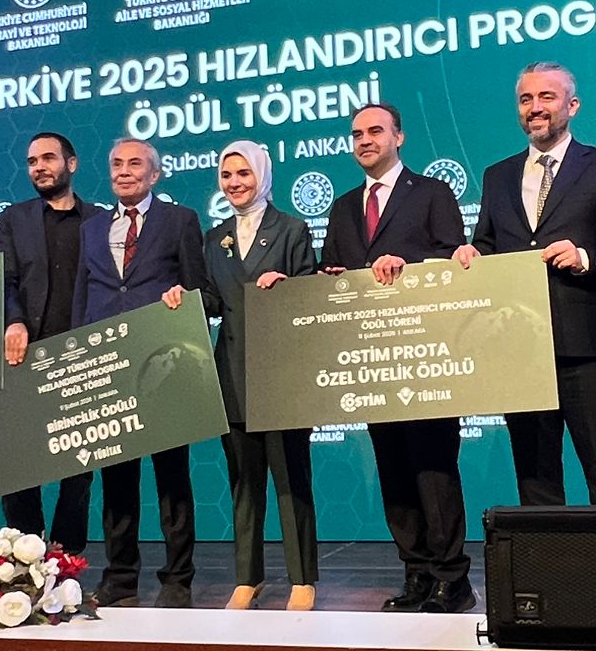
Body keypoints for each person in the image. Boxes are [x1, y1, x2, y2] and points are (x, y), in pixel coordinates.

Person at [320, 103, 472, 612]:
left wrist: (408, 263)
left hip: (424, 356)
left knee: (434, 468)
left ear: (399, 137)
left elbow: (455, 259)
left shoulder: (431, 192)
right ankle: (417, 574)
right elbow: (333, 270)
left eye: (375, 131)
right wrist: (328, 278)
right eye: (356, 134)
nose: (365, 140)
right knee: (393, 470)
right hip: (371, 361)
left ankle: (453, 579)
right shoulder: (343, 207)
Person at [464, 62, 596, 507]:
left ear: (572, 106)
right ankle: (547, 556)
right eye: (526, 99)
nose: (535, 107)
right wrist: (472, 255)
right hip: (519, 350)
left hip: (587, 346)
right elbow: (486, 243)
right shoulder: (497, 175)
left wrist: (584, 258)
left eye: (546, 97)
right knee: (535, 480)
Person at [73, 137, 207, 607]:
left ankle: (177, 579)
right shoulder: (91, 228)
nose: (124, 171)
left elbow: (199, 289)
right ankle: (120, 577)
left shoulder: (179, 220)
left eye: (135, 164)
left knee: (172, 478)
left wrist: (183, 299)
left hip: (162, 367)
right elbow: (83, 296)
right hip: (107, 368)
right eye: (117, 164)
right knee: (116, 480)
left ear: (155, 175)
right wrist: (78, 358)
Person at [203, 140, 319, 611]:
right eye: (227, 175)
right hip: (232, 373)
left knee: (291, 480)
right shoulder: (214, 238)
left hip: (281, 375)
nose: (235, 183)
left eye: (243, 173)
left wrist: (288, 287)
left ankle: (302, 578)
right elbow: (213, 299)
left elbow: (311, 292)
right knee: (244, 483)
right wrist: (182, 299)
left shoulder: (291, 229)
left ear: (262, 175)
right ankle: (247, 578)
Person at [0, 132, 98, 551]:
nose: (39, 167)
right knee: (19, 468)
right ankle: (25, 558)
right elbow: (3, 279)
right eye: (32, 161)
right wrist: (15, 321)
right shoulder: (13, 219)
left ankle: (67, 559)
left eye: (48, 158)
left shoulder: (99, 220)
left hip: (82, 358)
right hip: (23, 355)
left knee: (79, 470)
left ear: (71, 164)